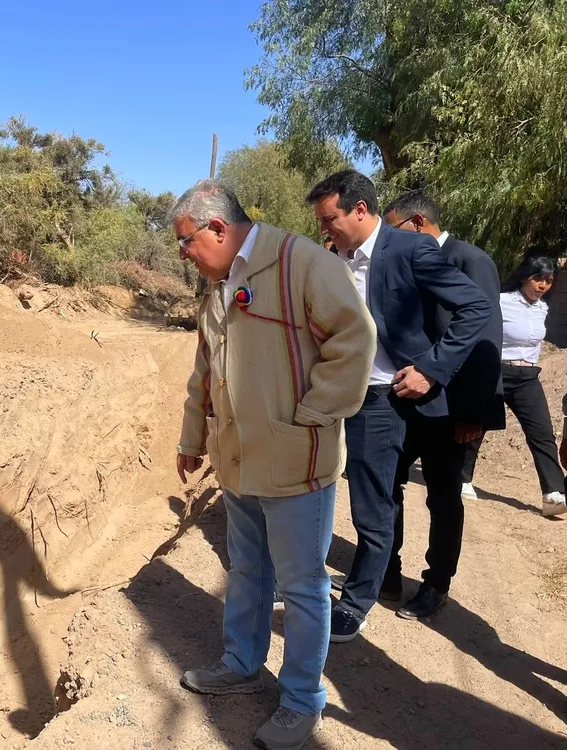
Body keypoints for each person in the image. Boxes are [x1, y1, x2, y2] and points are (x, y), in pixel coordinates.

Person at [173, 178, 375, 750]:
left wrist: (313, 413)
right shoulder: (217, 286)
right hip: (238, 461)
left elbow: (354, 340)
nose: (184, 253)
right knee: (247, 569)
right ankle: (240, 664)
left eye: (187, 241)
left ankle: (301, 701)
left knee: (304, 586)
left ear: (217, 227)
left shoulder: (302, 262)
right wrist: (193, 437)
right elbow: (203, 372)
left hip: (295, 461)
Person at [306, 170, 489, 642]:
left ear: (360, 211)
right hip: (362, 401)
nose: (325, 230)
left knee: (427, 498)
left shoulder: (410, 249)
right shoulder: (333, 259)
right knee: (375, 502)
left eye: (330, 219)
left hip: (418, 398)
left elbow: (476, 309)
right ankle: (378, 583)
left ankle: (386, 595)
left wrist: (432, 367)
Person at [380, 191, 504, 619]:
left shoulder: (469, 259)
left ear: (416, 223)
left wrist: (475, 413)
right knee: (386, 485)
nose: (385, 239)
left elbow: (488, 341)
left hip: (452, 409)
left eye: (391, 230)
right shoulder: (408, 261)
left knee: (443, 496)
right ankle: (387, 573)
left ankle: (436, 584)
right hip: (406, 401)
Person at [462, 257, 567, 516]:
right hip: (496, 371)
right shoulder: (500, 302)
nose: (543, 286)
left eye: (548, 281)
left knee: (542, 432)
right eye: (538, 279)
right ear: (524, 278)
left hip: (528, 377)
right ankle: (462, 479)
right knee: (477, 427)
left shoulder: (543, 309)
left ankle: (553, 493)